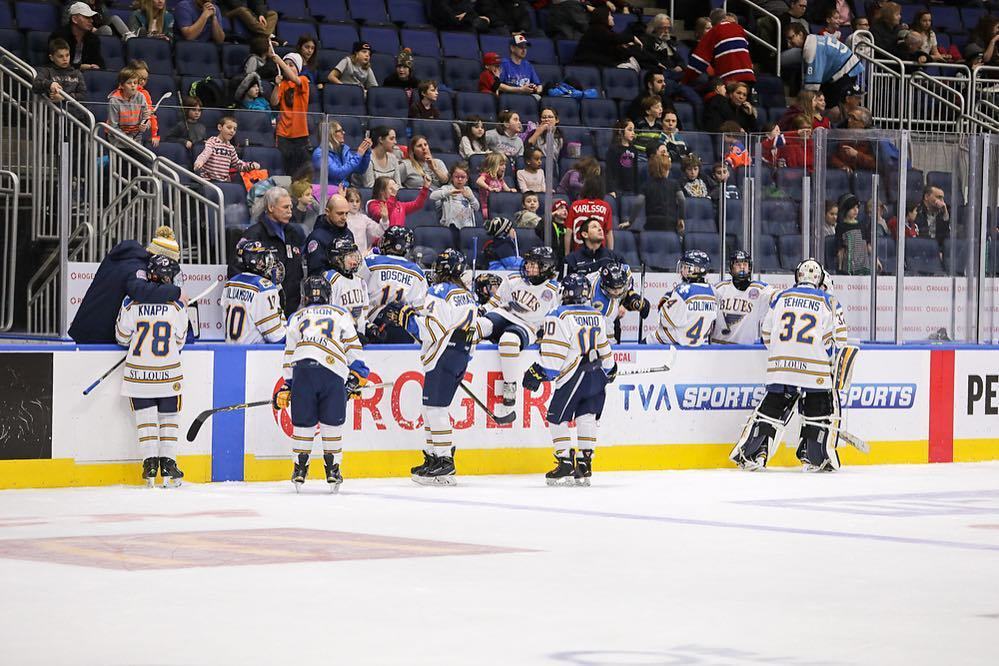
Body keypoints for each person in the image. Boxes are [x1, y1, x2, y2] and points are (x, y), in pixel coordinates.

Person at [729, 258, 848, 472]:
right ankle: (815, 457)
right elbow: (838, 340)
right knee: (819, 408)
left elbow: (766, 333)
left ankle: (752, 454)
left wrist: (782, 354)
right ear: (819, 279)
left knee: (771, 408)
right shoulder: (828, 301)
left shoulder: (781, 297)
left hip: (780, 366)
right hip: (814, 367)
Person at [381, 249, 478, 485]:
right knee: (430, 408)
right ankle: (434, 457)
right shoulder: (467, 294)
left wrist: (407, 320)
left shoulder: (438, 292)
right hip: (460, 353)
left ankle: (445, 462)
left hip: (444, 353)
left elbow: (431, 329)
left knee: (435, 409)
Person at [276, 275, 369, 491]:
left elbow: (289, 353)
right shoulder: (340, 313)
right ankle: (333, 471)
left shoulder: (296, 316)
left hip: (303, 372)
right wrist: (357, 375)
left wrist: (288, 384)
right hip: (332, 372)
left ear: (305, 295)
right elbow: (353, 347)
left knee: (303, 424)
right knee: (331, 423)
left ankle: (299, 469)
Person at [523, 272, 616, 486]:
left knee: (556, 417)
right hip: (596, 374)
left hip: (573, 375)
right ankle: (585, 465)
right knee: (587, 416)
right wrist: (610, 369)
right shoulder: (596, 314)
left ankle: (565, 462)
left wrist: (537, 373)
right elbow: (604, 348)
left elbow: (554, 360)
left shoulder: (559, 315)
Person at [115, 252, 188, 488]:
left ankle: (149, 464)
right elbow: (179, 340)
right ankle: (168, 463)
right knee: (169, 418)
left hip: (138, 372)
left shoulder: (130, 302)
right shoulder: (177, 305)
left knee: (145, 419)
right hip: (168, 371)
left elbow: (122, 337)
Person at [476, 246, 560, 421]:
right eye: (528, 262)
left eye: (533, 264)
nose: (527, 266)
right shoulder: (513, 279)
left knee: (509, 341)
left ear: (546, 267)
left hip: (528, 326)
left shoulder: (554, 290)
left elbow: (555, 320)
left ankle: (510, 386)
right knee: (479, 325)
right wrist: (482, 310)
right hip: (504, 314)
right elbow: (496, 302)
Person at [69, 226, 185, 343]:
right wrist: (176, 292)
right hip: (96, 339)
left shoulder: (127, 258)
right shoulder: (137, 267)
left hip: (88, 331)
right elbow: (140, 291)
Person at [233, 186, 306, 315]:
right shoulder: (253, 235)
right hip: (262, 311)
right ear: (271, 207)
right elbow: (236, 272)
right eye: (285, 207)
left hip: (290, 308)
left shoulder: (294, 233)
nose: (290, 211)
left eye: (290, 207)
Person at [363, 227, 428, 344]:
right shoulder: (417, 271)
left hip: (372, 327)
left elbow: (356, 293)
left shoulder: (369, 261)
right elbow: (421, 308)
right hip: (403, 329)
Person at [222, 241, 286, 344]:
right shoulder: (264, 288)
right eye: (264, 258)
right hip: (254, 354)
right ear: (257, 262)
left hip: (230, 352)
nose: (268, 261)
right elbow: (275, 336)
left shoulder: (230, 283)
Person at [785, 26, 863, 108]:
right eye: (787, 39)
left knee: (832, 106)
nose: (789, 42)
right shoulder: (813, 39)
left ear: (800, 34)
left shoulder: (811, 48)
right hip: (848, 68)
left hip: (844, 71)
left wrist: (803, 100)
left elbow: (813, 83)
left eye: (791, 38)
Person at [653, 250, 718, 346]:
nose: (682, 270)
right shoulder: (713, 291)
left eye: (685, 267)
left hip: (672, 341)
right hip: (699, 345)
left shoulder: (683, 291)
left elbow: (664, 321)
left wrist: (665, 303)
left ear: (694, 269)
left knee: (645, 343)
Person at [711, 251, 774, 344]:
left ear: (749, 268)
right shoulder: (719, 288)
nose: (742, 267)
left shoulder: (760, 289)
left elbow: (778, 296)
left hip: (745, 349)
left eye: (745, 264)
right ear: (731, 268)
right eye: (738, 264)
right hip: (718, 346)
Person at [682, 9, 755, 89]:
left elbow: (698, 63)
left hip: (730, 80)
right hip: (749, 77)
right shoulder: (739, 28)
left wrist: (684, 81)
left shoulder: (714, 32)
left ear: (713, 23)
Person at [270, 50, 311, 178]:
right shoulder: (282, 84)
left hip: (300, 134)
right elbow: (274, 101)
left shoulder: (304, 80)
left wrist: (280, 62)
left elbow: (295, 79)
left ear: (298, 68)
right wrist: (277, 85)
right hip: (283, 133)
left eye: (291, 65)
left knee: (299, 172)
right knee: (285, 170)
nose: (287, 67)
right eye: (286, 64)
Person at [587, 261, 650, 342]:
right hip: (590, 317)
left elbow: (627, 291)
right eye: (613, 289)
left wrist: (633, 300)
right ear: (604, 286)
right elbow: (608, 343)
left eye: (620, 287)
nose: (617, 292)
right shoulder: (602, 305)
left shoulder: (626, 272)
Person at [322, 237, 369, 332]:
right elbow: (327, 316)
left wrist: (368, 327)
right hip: (338, 339)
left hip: (358, 339)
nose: (355, 261)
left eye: (355, 256)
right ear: (337, 259)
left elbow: (363, 314)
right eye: (350, 256)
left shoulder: (360, 281)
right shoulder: (330, 279)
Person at [572, 5, 641, 70]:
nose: (612, 17)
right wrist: (633, 38)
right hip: (586, 67)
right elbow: (614, 38)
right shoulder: (596, 29)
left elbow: (615, 48)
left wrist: (627, 46)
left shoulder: (602, 31)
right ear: (603, 17)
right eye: (610, 15)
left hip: (597, 66)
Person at [193, 115, 260, 182]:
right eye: (229, 127)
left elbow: (237, 164)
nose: (232, 131)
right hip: (208, 181)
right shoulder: (212, 141)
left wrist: (251, 165)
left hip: (223, 182)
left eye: (234, 129)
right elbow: (206, 153)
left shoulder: (231, 148)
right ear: (220, 127)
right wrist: (200, 162)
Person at [305, 194, 354, 276]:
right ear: (327, 212)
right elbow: (316, 272)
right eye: (340, 213)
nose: (344, 217)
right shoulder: (316, 237)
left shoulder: (348, 234)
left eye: (346, 213)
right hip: (327, 285)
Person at [311, 121, 371, 188]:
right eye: (340, 131)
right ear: (331, 134)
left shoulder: (343, 150)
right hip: (327, 191)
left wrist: (366, 152)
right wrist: (358, 155)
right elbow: (338, 174)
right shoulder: (320, 153)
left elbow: (360, 170)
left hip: (343, 189)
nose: (344, 132)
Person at [49, 3, 105, 71]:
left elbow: (100, 63)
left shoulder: (93, 39)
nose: (91, 21)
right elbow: (53, 63)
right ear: (74, 19)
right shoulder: (59, 36)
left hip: (86, 76)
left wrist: (96, 66)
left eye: (91, 18)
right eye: (87, 17)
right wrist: (79, 67)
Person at [566, 177, 614, 255]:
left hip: (578, 254)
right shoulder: (605, 206)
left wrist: (567, 254)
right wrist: (610, 255)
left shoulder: (575, 205)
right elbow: (608, 233)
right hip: (600, 255)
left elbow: (568, 232)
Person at [32, 39, 87, 104]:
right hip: (53, 112)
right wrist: (50, 84)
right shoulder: (47, 71)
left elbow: (83, 96)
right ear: (51, 58)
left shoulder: (77, 73)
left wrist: (64, 98)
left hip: (74, 112)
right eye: (60, 56)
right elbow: (35, 85)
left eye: (67, 55)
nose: (65, 59)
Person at [107, 65, 150, 145]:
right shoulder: (114, 101)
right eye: (129, 83)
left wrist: (145, 125)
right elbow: (113, 127)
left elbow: (146, 117)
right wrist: (128, 140)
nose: (133, 85)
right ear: (122, 85)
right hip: (118, 143)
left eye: (135, 83)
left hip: (136, 142)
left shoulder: (141, 97)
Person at [642, 152, 684, 234]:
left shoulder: (646, 185)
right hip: (669, 222)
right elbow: (682, 199)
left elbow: (639, 202)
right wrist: (681, 218)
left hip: (651, 222)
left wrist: (630, 221)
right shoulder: (674, 184)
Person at [430, 161, 480, 229]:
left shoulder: (468, 190)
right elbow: (432, 196)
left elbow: (476, 207)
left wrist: (471, 198)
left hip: (467, 227)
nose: (460, 179)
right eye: (457, 177)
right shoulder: (447, 188)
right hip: (450, 226)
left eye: (463, 177)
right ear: (452, 177)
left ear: (467, 179)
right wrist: (449, 192)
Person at [344, 187, 387, 256]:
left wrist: (384, 219)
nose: (355, 204)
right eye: (351, 201)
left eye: (357, 201)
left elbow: (379, 232)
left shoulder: (364, 218)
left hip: (361, 257)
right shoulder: (342, 218)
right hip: (345, 256)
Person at [476, 152, 516, 217]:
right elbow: (478, 181)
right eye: (501, 164)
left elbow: (507, 190)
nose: (504, 167)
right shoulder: (486, 176)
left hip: (498, 208)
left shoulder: (500, 180)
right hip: (486, 208)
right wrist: (489, 188)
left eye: (505, 164)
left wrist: (511, 190)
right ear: (493, 166)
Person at [913, 184, 949, 255]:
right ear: (926, 197)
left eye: (942, 198)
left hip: (937, 251)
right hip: (921, 249)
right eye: (939, 197)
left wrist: (945, 213)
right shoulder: (916, 211)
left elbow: (945, 235)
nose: (942, 201)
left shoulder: (942, 213)